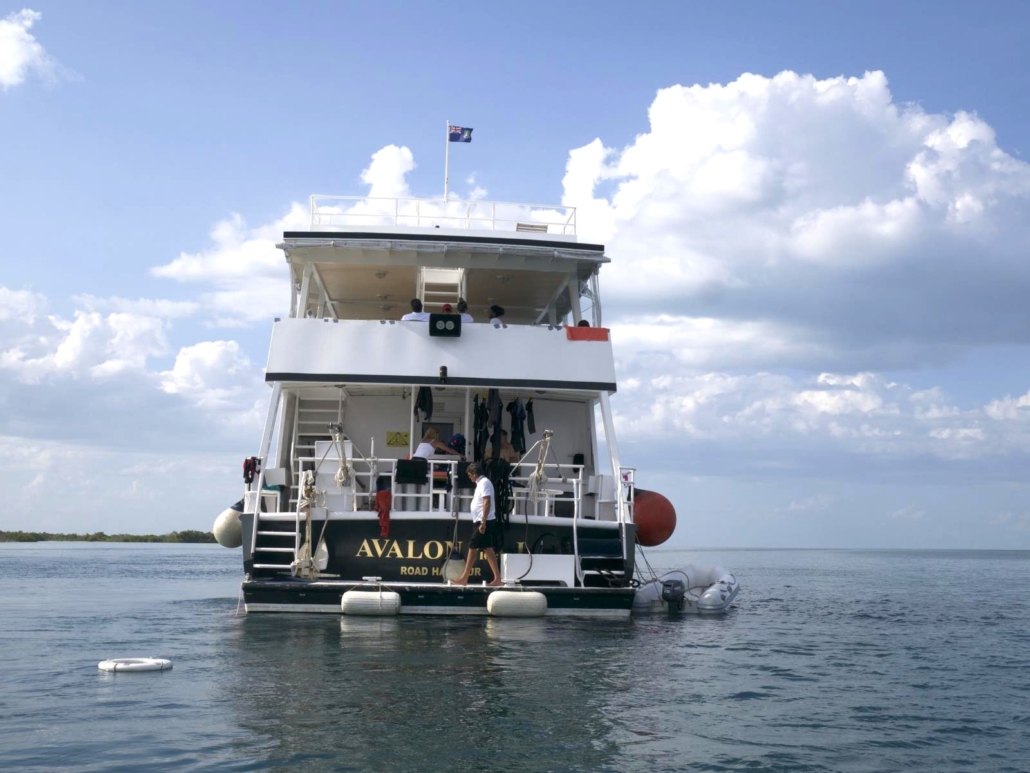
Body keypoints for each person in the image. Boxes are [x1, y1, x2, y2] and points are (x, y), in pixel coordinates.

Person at [452, 462, 502, 586]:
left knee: (472, 547)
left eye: (470, 475)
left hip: (483, 521)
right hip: (481, 520)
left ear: (475, 474)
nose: (469, 478)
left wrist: (483, 521)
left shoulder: (484, 483)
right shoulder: (481, 483)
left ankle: (464, 578)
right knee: (488, 549)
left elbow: (487, 502)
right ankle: (497, 579)